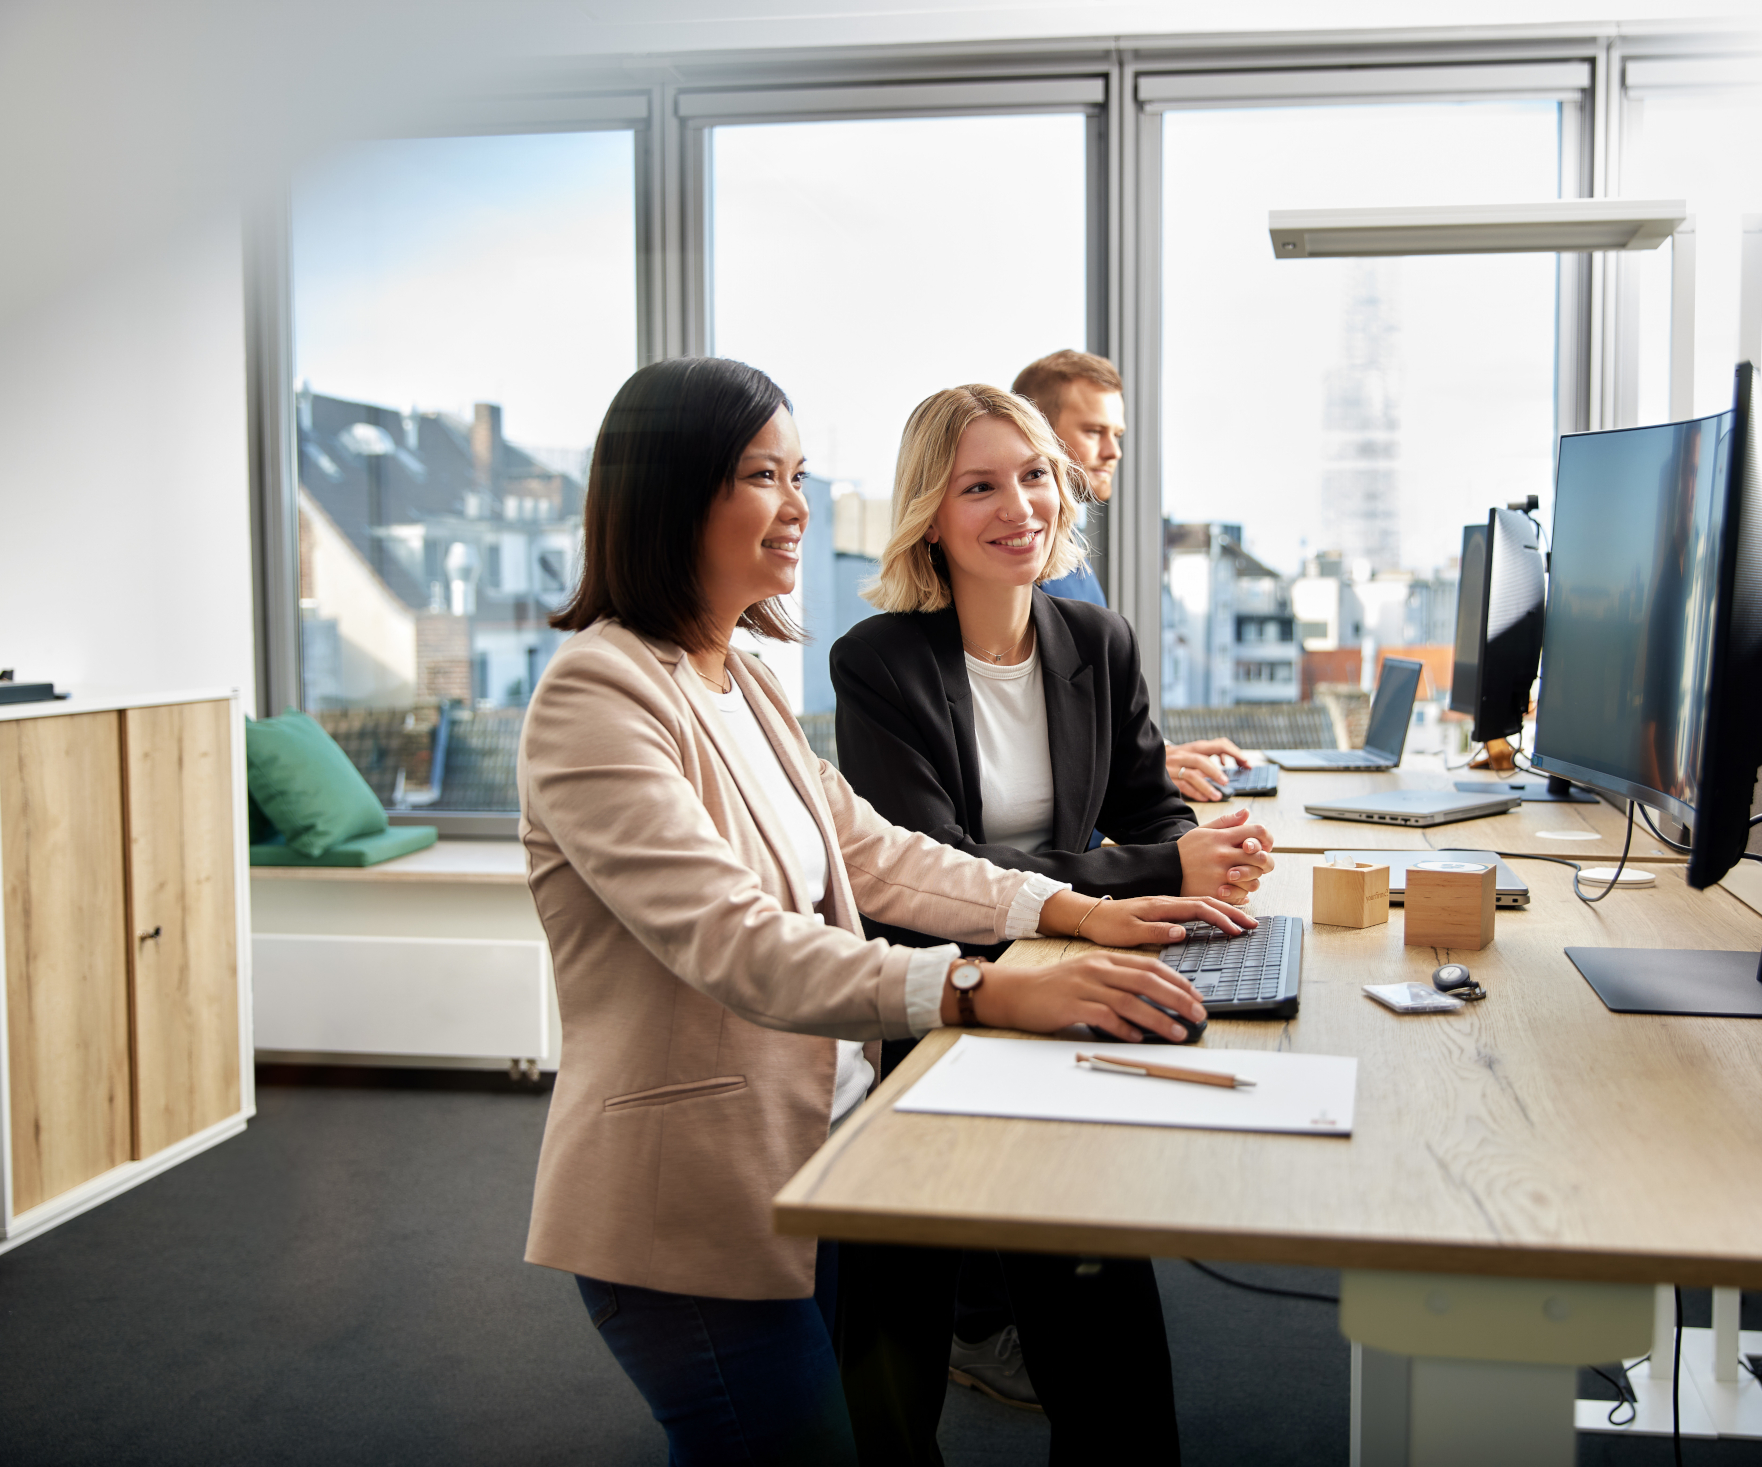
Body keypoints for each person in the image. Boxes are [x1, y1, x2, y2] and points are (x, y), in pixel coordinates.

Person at [517, 356, 1247, 1467]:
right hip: (693, 1200)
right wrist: (979, 982)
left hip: (823, 1149)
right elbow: (737, 941)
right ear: (672, 493)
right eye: (765, 474)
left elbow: (876, 852)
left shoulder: (739, 677)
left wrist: (1068, 907)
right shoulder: (598, 692)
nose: (801, 508)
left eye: (800, 474)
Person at [827, 384, 1276, 1464]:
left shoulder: (1094, 639)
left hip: (1069, 988)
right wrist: (1157, 865)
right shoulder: (878, 664)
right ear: (931, 513)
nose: (1018, 505)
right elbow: (932, 868)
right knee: (887, 1377)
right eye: (979, 485)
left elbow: (1147, 810)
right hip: (937, 1013)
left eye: (1033, 476)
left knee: (1106, 1348)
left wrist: (1200, 866)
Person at [1012, 348, 1255, 800]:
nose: (1113, 451)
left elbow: (1089, 723)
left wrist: (1158, 755)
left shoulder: (1070, 560)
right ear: (1037, 434)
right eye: (1093, 431)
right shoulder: (1018, 570)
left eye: (1117, 434)